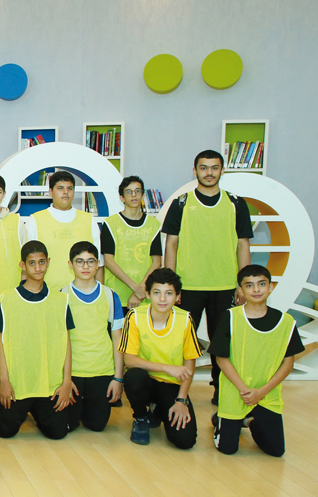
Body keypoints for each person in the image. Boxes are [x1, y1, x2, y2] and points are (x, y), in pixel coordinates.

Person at [163, 149, 253, 404]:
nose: (209, 172)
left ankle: (222, 391)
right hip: (188, 286)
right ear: (195, 171)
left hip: (225, 286)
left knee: (222, 343)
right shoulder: (181, 203)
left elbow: (243, 244)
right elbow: (171, 244)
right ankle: (174, 393)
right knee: (181, 342)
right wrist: (171, 286)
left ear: (222, 170)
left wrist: (243, 284)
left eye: (214, 167)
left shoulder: (236, 203)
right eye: (204, 167)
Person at [211, 265, 304, 457]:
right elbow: (222, 359)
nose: (256, 289)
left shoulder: (286, 322)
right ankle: (221, 420)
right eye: (249, 285)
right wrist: (245, 391)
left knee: (276, 451)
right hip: (236, 392)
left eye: (261, 284)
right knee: (228, 449)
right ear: (241, 290)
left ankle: (249, 420)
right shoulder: (230, 317)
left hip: (266, 394)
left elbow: (288, 365)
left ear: (270, 287)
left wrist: (261, 392)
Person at [0, 241, 73, 440]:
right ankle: (26, 411)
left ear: (48, 262)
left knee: (58, 434)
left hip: (49, 386)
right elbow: (1, 344)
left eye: (41, 262)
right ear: (22, 265)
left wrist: (66, 382)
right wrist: (4, 381)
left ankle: (38, 413)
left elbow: (67, 344)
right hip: (17, 385)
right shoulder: (7, 299)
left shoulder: (61, 300)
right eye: (32, 263)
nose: (38, 268)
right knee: (5, 432)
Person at [119, 268, 201, 449]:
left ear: (178, 296)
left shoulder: (185, 319)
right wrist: (166, 367)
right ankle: (141, 417)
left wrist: (181, 400)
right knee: (134, 377)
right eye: (157, 293)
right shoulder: (135, 316)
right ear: (148, 294)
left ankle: (158, 410)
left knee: (185, 441)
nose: (162, 299)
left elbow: (189, 365)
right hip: (145, 381)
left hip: (171, 384)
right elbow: (129, 360)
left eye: (169, 293)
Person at [63, 242, 125, 432]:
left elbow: (118, 339)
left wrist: (118, 378)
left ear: (98, 264)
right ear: (70, 264)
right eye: (79, 261)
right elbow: (58, 341)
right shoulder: (62, 296)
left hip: (101, 371)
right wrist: (63, 379)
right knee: (67, 425)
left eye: (90, 261)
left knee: (97, 426)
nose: (85, 266)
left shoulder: (110, 295)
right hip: (73, 372)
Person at [22, 170, 102, 294]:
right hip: (47, 293)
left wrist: (100, 294)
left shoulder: (88, 220)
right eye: (60, 188)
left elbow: (99, 264)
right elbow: (28, 264)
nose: (65, 192)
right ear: (50, 192)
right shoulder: (35, 221)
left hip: (84, 294)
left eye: (69, 188)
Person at [102, 176, 163, 310]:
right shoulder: (110, 224)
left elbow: (157, 262)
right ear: (122, 197)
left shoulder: (154, 225)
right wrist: (136, 288)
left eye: (137, 191)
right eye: (129, 192)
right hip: (117, 294)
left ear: (143, 195)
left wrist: (141, 289)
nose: (133, 195)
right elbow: (108, 261)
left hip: (145, 295)